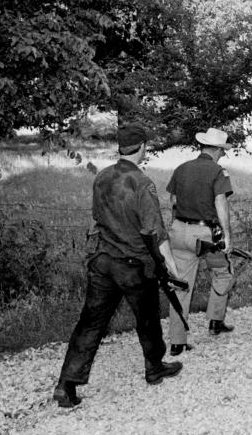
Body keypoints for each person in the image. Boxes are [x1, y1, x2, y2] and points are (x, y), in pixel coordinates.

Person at [53, 124, 183, 408]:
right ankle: (154, 368)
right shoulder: (141, 183)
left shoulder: (102, 177)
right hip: (133, 265)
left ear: (120, 148)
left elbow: (97, 216)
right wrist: (172, 267)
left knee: (90, 323)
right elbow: (154, 232)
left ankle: (66, 384)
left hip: (101, 261)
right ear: (143, 148)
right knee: (147, 319)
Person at [165, 127, 237, 355]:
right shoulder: (218, 172)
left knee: (181, 286)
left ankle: (177, 342)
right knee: (224, 272)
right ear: (216, 150)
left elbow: (173, 201)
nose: (223, 155)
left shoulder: (181, 169)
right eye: (222, 151)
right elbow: (220, 203)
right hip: (206, 236)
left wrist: (178, 226)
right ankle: (215, 320)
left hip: (179, 231)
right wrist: (226, 235)